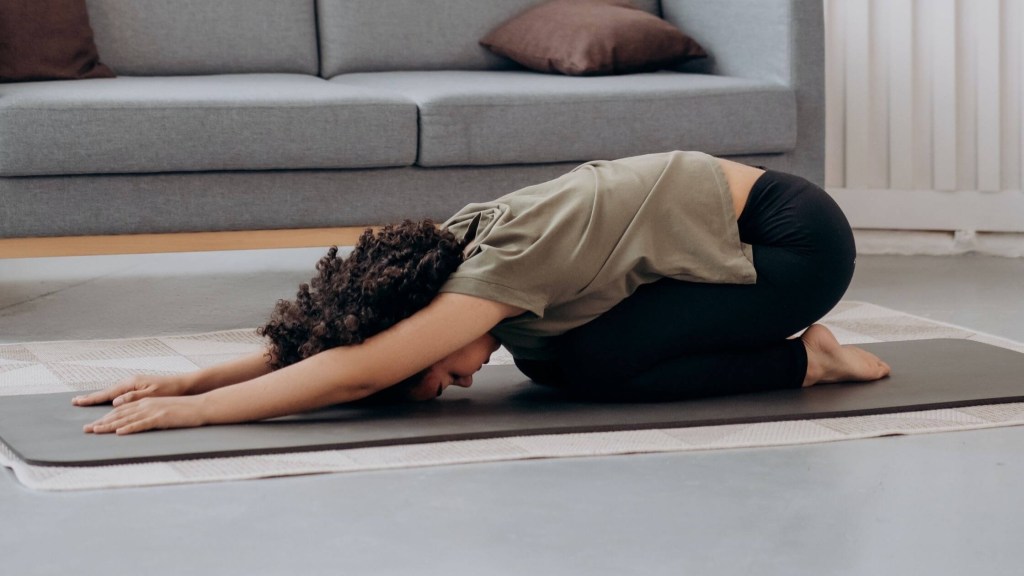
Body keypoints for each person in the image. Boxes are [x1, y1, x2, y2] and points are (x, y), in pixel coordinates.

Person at [74, 151, 891, 435]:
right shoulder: (439, 264)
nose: (454, 382)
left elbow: (356, 370)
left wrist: (200, 413)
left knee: (596, 364)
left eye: (431, 377)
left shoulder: (495, 270)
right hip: (730, 242)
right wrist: (192, 375)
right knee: (552, 365)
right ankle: (788, 353)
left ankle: (810, 361)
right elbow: (342, 344)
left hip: (793, 245)